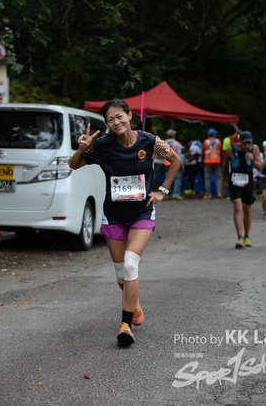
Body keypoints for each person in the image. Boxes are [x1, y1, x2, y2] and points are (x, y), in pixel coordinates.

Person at [69, 99, 181, 346]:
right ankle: (135, 305)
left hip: (142, 212)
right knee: (121, 272)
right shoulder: (103, 145)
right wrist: (82, 149)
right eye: (110, 120)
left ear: (130, 115)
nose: (116, 122)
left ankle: (125, 325)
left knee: (130, 264)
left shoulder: (149, 142)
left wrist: (162, 190)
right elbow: (74, 165)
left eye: (119, 116)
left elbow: (176, 161)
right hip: (114, 215)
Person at [223, 131, 264, 248]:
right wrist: (223, 182)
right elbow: (224, 166)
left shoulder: (254, 149)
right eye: (245, 143)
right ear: (240, 141)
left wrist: (252, 159)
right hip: (234, 181)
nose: (247, 145)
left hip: (247, 182)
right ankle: (239, 238)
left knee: (247, 209)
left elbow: (260, 167)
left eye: (249, 143)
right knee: (237, 207)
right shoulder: (231, 150)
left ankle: (247, 236)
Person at [201, 128, 223, 199]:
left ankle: (209, 194)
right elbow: (221, 153)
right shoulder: (219, 142)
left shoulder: (205, 142)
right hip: (217, 162)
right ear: (214, 135)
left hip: (208, 163)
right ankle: (219, 193)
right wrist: (222, 162)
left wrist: (202, 162)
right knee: (218, 178)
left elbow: (203, 153)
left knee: (207, 179)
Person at [164, 129, 184, 199]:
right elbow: (180, 155)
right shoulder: (177, 144)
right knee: (177, 179)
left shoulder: (163, 143)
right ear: (173, 135)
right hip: (175, 164)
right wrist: (182, 164)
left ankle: (167, 194)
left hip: (166, 164)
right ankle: (176, 194)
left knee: (167, 179)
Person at [221, 124, 241, 196]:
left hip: (231, 162)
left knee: (232, 177)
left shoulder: (226, 140)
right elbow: (246, 136)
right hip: (241, 160)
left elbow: (225, 153)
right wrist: (238, 130)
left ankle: (232, 193)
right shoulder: (239, 137)